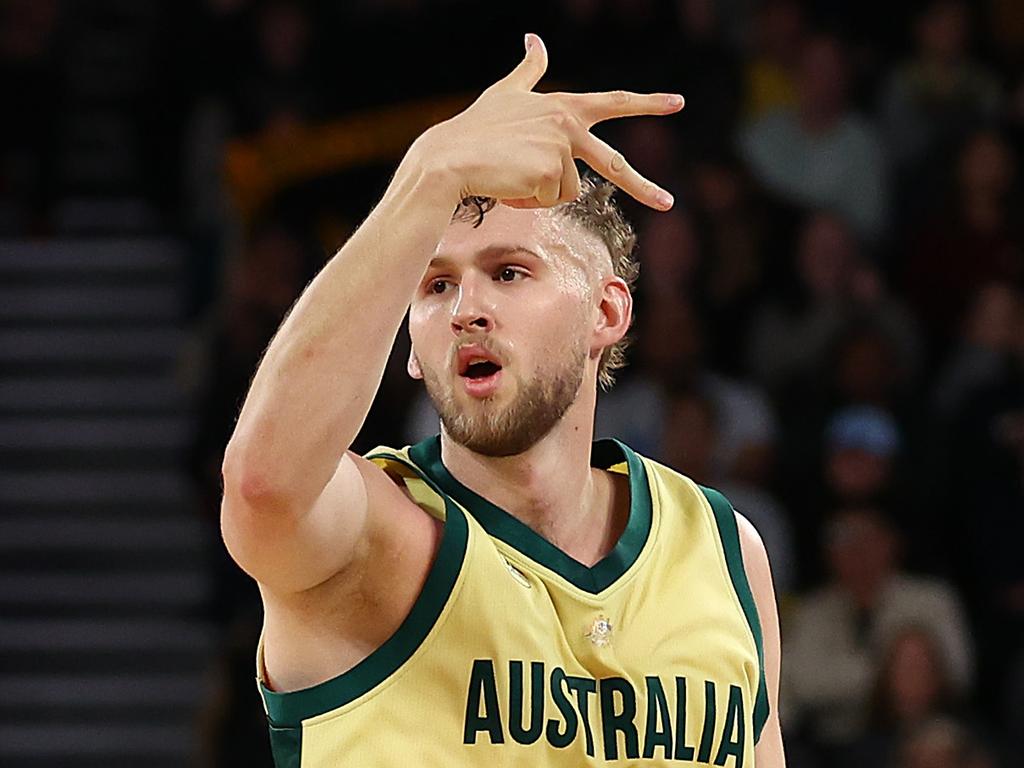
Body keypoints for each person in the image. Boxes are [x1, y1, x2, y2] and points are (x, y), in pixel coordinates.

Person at [220, 33, 785, 767]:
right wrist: (428, 173)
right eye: (435, 284)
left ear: (606, 313)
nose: (465, 310)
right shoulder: (378, 539)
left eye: (510, 273)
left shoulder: (723, 549)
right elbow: (262, 487)